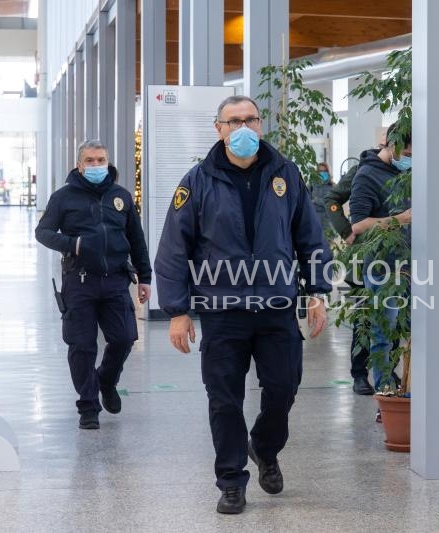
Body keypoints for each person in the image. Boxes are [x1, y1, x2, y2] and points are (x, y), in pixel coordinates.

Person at [154, 95, 332, 515]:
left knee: (284, 389)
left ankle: (265, 449)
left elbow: (310, 237)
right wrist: (178, 311)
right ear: (218, 129)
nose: (243, 128)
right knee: (224, 399)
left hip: (276, 308)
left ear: (261, 124)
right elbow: (173, 251)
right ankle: (231, 481)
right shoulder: (196, 182)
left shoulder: (285, 174)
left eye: (250, 119)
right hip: (223, 311)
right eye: (233, 121)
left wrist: (316, 292)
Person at [35, 140, 152, 430]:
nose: (97, 165)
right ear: (79, 165)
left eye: (101, 160)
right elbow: (43, 232)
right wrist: (72, 244)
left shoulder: (121, 197)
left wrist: (145, 276)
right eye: (90, 160)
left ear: (108, 162)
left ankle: (106, 381)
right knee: (82, 346)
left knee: (124, 338)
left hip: (115, 281)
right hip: (80, 282)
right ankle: (88, 405)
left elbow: (136, 239)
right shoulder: (64, 197)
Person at [349, 123, 412, 392]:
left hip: (413, 264)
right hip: (382, 266)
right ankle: (384, 387)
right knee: (382, 332)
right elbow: (358, 224)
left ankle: (405, 383)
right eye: (407, 151)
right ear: (392, 144)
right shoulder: (366, 175)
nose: (410, 157)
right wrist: (400, 219)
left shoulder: (413, 172)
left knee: (408, 331)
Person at [323, 158, 376, 395]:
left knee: (397, 319)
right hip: (363, 258)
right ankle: (360, 374)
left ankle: (388, 371)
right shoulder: (362, 170)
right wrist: (345, 231)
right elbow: (331, 199)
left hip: (399, 258)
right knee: (364, 318)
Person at [309, 162, 334, 236]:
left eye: (324, 171)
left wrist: (316, 200)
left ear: (328, 172)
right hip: (313, 221)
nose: (322, 173)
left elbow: (331, 204)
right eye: (320, 171)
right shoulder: (311, 185)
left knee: (327, 245)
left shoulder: (332, 187)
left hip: (327, 222)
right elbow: (306, 201)